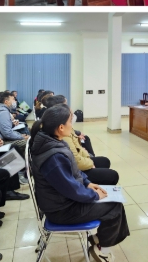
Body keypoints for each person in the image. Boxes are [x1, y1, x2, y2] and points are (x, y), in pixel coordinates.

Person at [30, 105, 129, 262]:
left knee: (113, 201)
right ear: (61, 127)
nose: (72, 125)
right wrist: (94, 195)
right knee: (114, 206)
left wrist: (88, 183)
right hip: (61, 210)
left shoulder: (53, 141)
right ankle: (102, 251)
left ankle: (99, 239)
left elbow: (74, 171)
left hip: (62, 202)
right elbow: (72, 189)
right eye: (70, 121)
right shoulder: (54, 157)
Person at [43, 95, 116, 185]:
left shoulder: (60, 129)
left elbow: (77, 150)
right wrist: (90, 163)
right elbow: (76, 162)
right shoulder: (63, 136)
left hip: (77, 167)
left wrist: (87, 157)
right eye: (70, 120)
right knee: (112, 175)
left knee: (104, 161)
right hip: (75, 172)